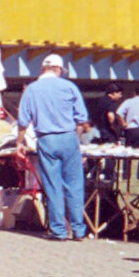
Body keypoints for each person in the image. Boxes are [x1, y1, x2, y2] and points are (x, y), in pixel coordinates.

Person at [16, 54, 90, 241]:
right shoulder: (70, 87)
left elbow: (23, 121)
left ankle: (59, 230)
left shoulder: (31, 90)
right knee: (74, 185)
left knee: (53, 186)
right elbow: (81, 118)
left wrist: (19, 143)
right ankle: (79, 229)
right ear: (58, 69)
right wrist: (76, 138)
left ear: (43, 69)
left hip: (46, 139)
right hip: (68, 137)